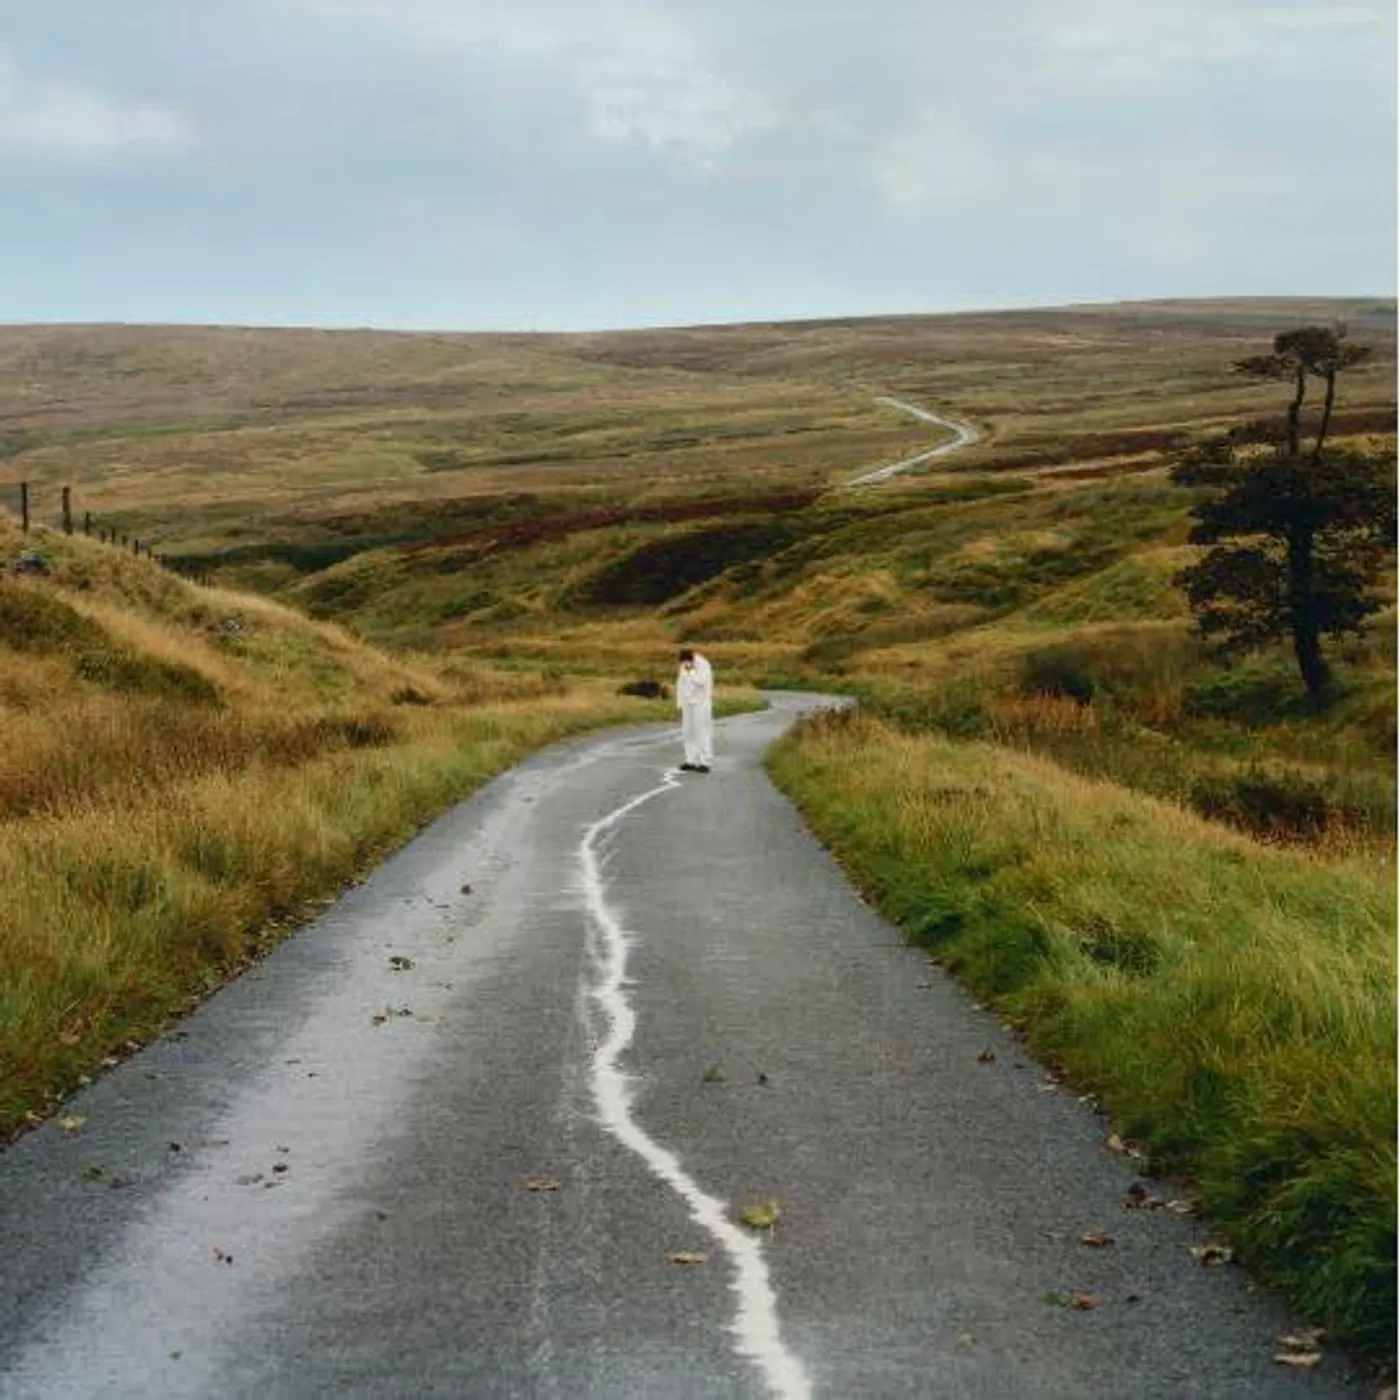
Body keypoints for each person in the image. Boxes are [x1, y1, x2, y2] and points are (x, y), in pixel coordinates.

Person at [675, 647, 714, 773]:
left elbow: (701, 682)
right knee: (688, 732)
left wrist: (691, 671)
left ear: (692, 658)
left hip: (701, 703)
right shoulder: (684, 665)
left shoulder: (703, 664)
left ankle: (705, 762)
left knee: (702, 731)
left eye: (686, 662)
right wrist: (679, 703)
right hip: (688, 704)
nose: (684, 665)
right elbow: (680, 683)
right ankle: (690, 760)